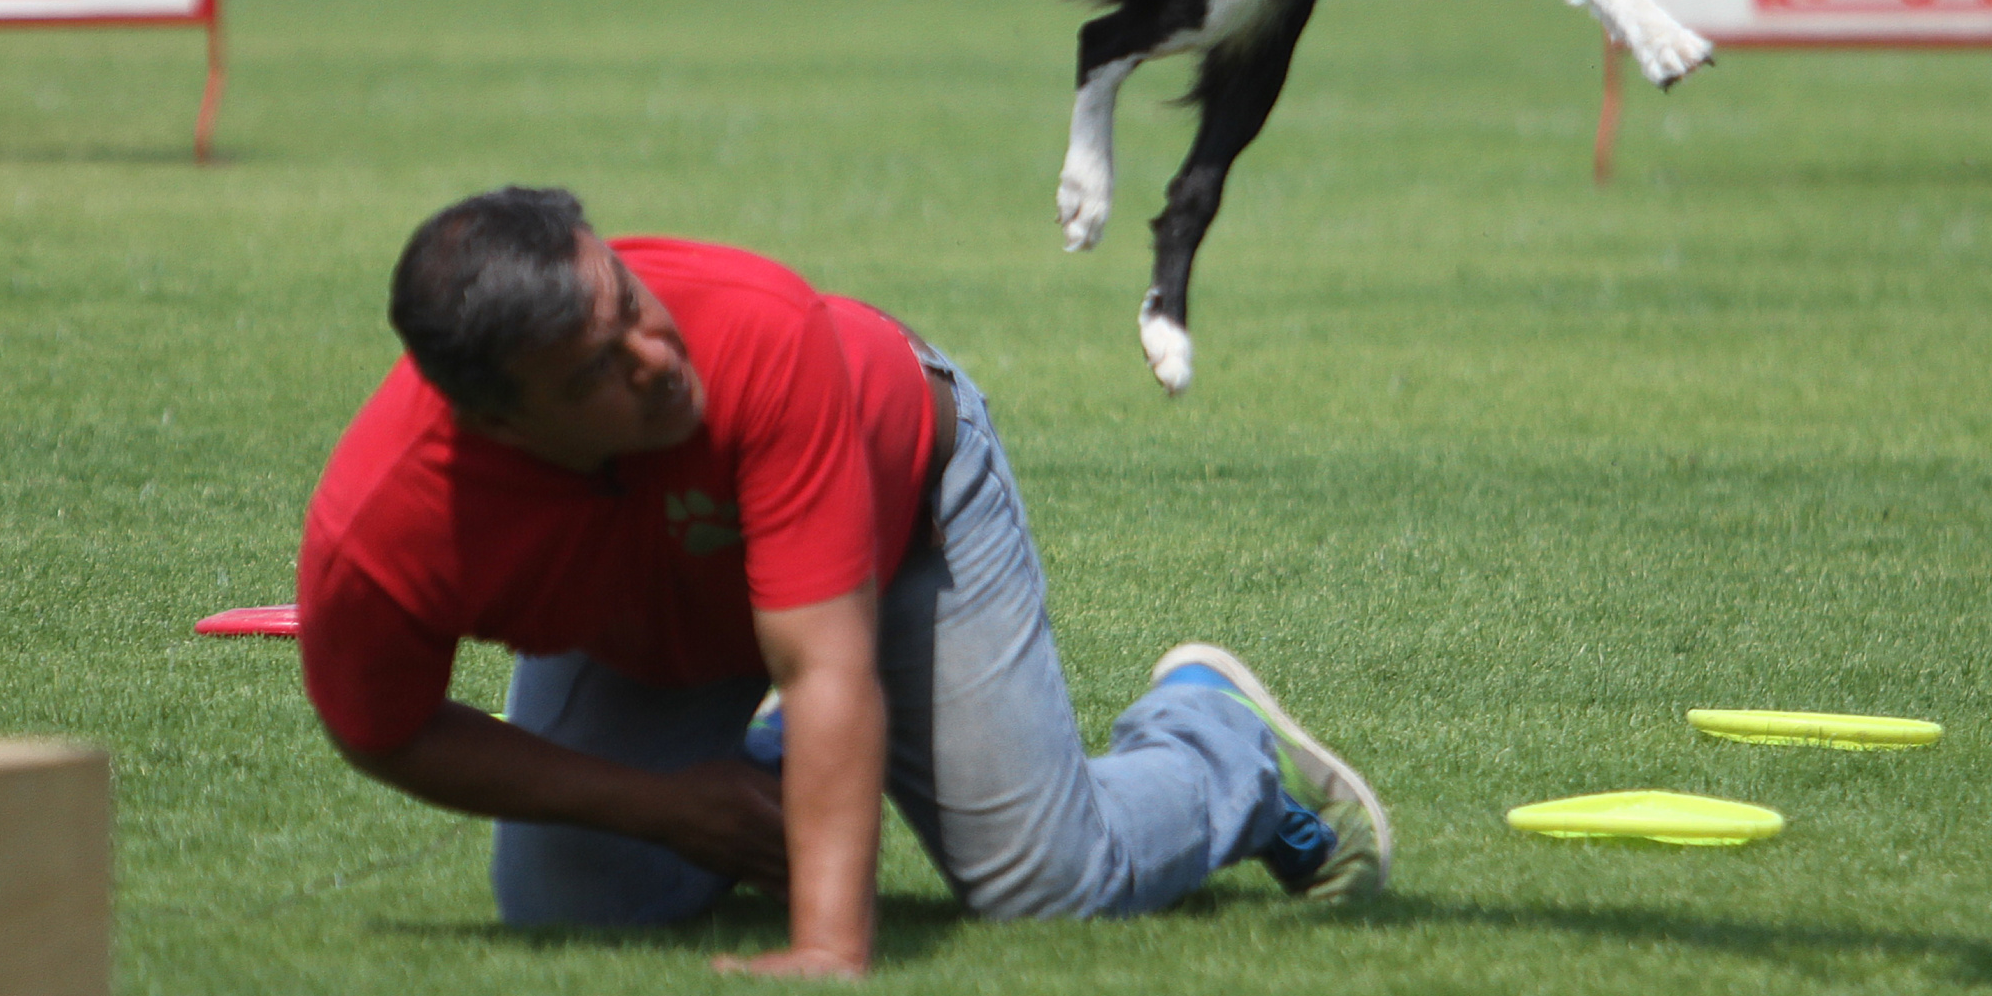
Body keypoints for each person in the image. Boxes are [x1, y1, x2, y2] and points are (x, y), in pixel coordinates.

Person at [295, 186, 1388, 979]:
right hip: (663, 623)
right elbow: (385, 730)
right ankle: (790, 765)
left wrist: (826, 947)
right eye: (594, 373)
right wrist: (661, 806)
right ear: (495, 422)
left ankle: (1217, 738)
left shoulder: (755, 328)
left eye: (628, 299)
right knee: (569, 901)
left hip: (901, 511)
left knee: (1048, 886)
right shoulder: (385, 523)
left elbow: (822, 664)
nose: (656, 357)